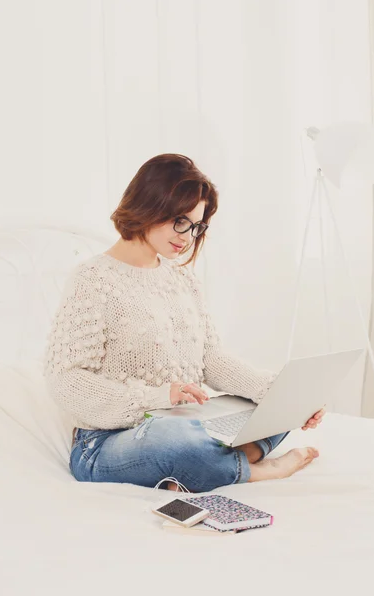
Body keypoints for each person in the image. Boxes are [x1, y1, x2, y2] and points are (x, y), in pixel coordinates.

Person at [44, 153, 323, 493]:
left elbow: (211, 359)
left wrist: (280, 393)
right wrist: (161, 396)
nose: (188, 236)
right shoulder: (92, 279)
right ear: (150, 204)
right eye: (180, 221)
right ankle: (256, 469)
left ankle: (208, 465)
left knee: (269, 409)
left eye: (196, 226)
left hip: (187, 422)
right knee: (176, 439)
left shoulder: (183, 281)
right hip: (108, 444)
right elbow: (66, 381)